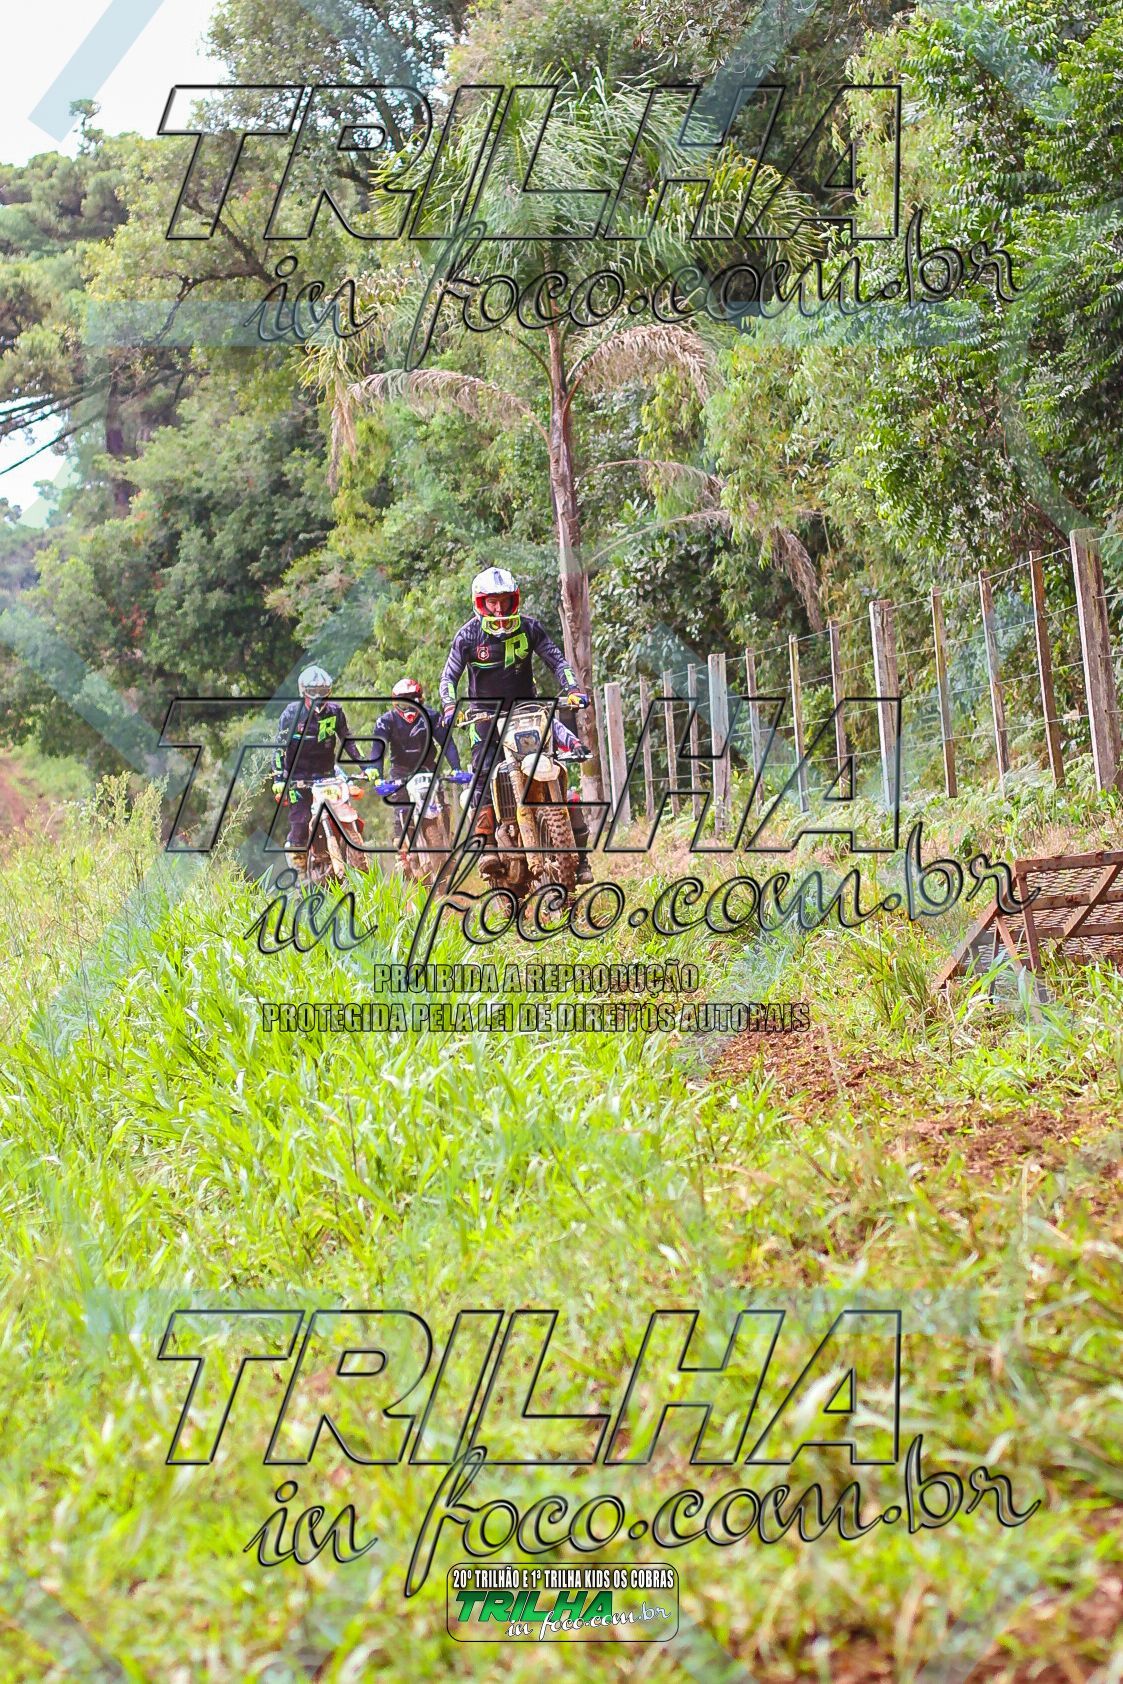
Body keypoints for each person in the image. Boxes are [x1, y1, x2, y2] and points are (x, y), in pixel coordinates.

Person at [438, 568, 593, 881]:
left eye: (504, 601)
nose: (499, 609)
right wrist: (450, 706)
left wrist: (572, 688)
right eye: (491, 602)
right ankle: (486, 844)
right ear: (480, 603)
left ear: (514, 600)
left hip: (527, 710)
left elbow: (557, 660)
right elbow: (448, 677)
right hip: (484, 716)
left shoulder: (529, 627)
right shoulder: (468, 636)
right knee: (483, 774)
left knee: (556, 767)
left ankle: (580, 857)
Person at [271, 665, 369, 874]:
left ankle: (354, 854)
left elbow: (348, 740)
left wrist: (366, 766)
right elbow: (279, 748)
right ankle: (301, 872)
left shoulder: (335, 712)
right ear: (304, 692)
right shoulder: (291, 714)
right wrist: (279, 778)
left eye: (323, 692)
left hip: (327, 774)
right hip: (298, 777)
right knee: (300, 824)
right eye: (313, 692)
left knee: (346, 808)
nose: (319, 697)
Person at [367, 677, 461, 842]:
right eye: (405, 703)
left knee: (442, 804)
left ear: (421, 700)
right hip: (401, 771)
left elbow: (447, 743)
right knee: (402, 809)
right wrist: (378, 777)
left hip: (428, 768)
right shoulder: (386, 722)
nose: (410, 707)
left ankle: (447, 839)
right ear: (396, 704)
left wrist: (456, 768)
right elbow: (378, 750)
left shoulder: (432, 716)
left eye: (414, 701)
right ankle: (402, 847)